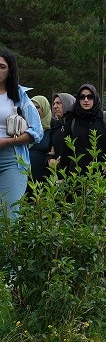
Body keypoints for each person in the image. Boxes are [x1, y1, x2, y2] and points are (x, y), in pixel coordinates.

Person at [0, 49, 43, 220]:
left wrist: (5, 142)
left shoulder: (19, 96)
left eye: (2, 66)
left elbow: (36, 132)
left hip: (12, 160)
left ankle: (9, 248)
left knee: (9, 218)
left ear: (10, 71)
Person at [51, 84, 106, 175]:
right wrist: (62, 176)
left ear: (95, 98)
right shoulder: (72, 121)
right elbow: (67, 151)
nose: (86, 100)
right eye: (82, 97)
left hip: (103, 173)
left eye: (90, 97)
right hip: (78, 176)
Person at [28, 95, 52, 185]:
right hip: (25, 177)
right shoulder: (25, 126)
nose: (34, 110)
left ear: (44, 108)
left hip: (44, 180)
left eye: (37, 107)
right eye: (32, 107)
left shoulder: (53, 128)